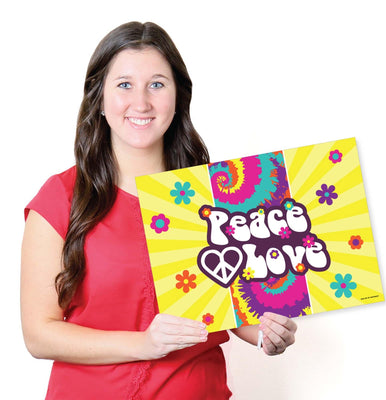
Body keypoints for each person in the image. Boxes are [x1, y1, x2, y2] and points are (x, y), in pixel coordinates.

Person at [21, 21, 297, 399]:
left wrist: (268, 331)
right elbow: (39, 334)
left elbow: (231, 307)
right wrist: (144, 344)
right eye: (124, 85)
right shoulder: (61, 197)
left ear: (178, 96)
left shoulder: (219, 195)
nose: (141, 103)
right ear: (99, 98)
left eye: (157, 84)